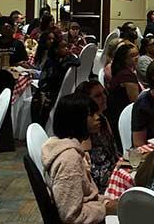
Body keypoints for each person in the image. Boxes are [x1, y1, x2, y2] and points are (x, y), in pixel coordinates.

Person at [41, 94, 106, 224]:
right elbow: (71, 216)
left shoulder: (65, 147)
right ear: (76, 119)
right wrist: (103, 209)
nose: (98, 117)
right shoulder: (69, 159)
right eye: (91, 114)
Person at [75, 81, 120, 193]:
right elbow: (87, 175)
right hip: (99, 189)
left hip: (114, 175)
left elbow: (113, 153)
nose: (104, 97)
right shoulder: (82, 132)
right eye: (98, 96)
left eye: (104, 93)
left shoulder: (103, 120)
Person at [107, 43, 141, 143]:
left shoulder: (122, 71)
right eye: (132, 56)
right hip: (122, 116)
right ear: (124, 59)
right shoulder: (126, 76)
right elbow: (135, 101)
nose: (136, 58)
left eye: (137, 54)